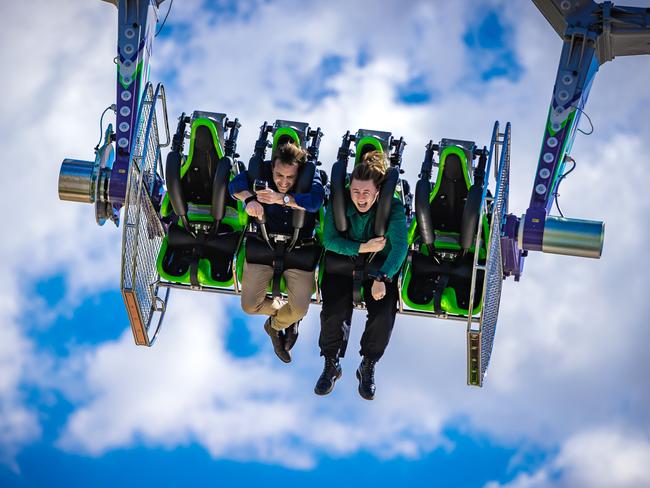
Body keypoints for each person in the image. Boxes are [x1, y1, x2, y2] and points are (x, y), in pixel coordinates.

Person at [315, 150, 408, 400]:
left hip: (378, 268)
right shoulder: (340, 201)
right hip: (344, 262)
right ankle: (331, 363)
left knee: (384, 310)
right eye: (356, 192)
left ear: (378, 191)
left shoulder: (394, 208)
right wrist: (362, 247)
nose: (360, 197)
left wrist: (384, 278)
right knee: (334, 309)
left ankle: (368, 364)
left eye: (366, 192)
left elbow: (400, 247)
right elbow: (330, 241)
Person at [229, 142, 324, 363]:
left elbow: (315, 202)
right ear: (272, 167)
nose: (283, 182)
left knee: (299, 309)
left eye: (290, 178)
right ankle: (284, 317)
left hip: (299, 248)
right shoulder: (260, 170)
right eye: (279, 175)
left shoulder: (312, 177)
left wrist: (282, 199)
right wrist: (250, 199)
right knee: (249, 306)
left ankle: (275, 325)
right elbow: (235, 186)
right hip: (264, 244)